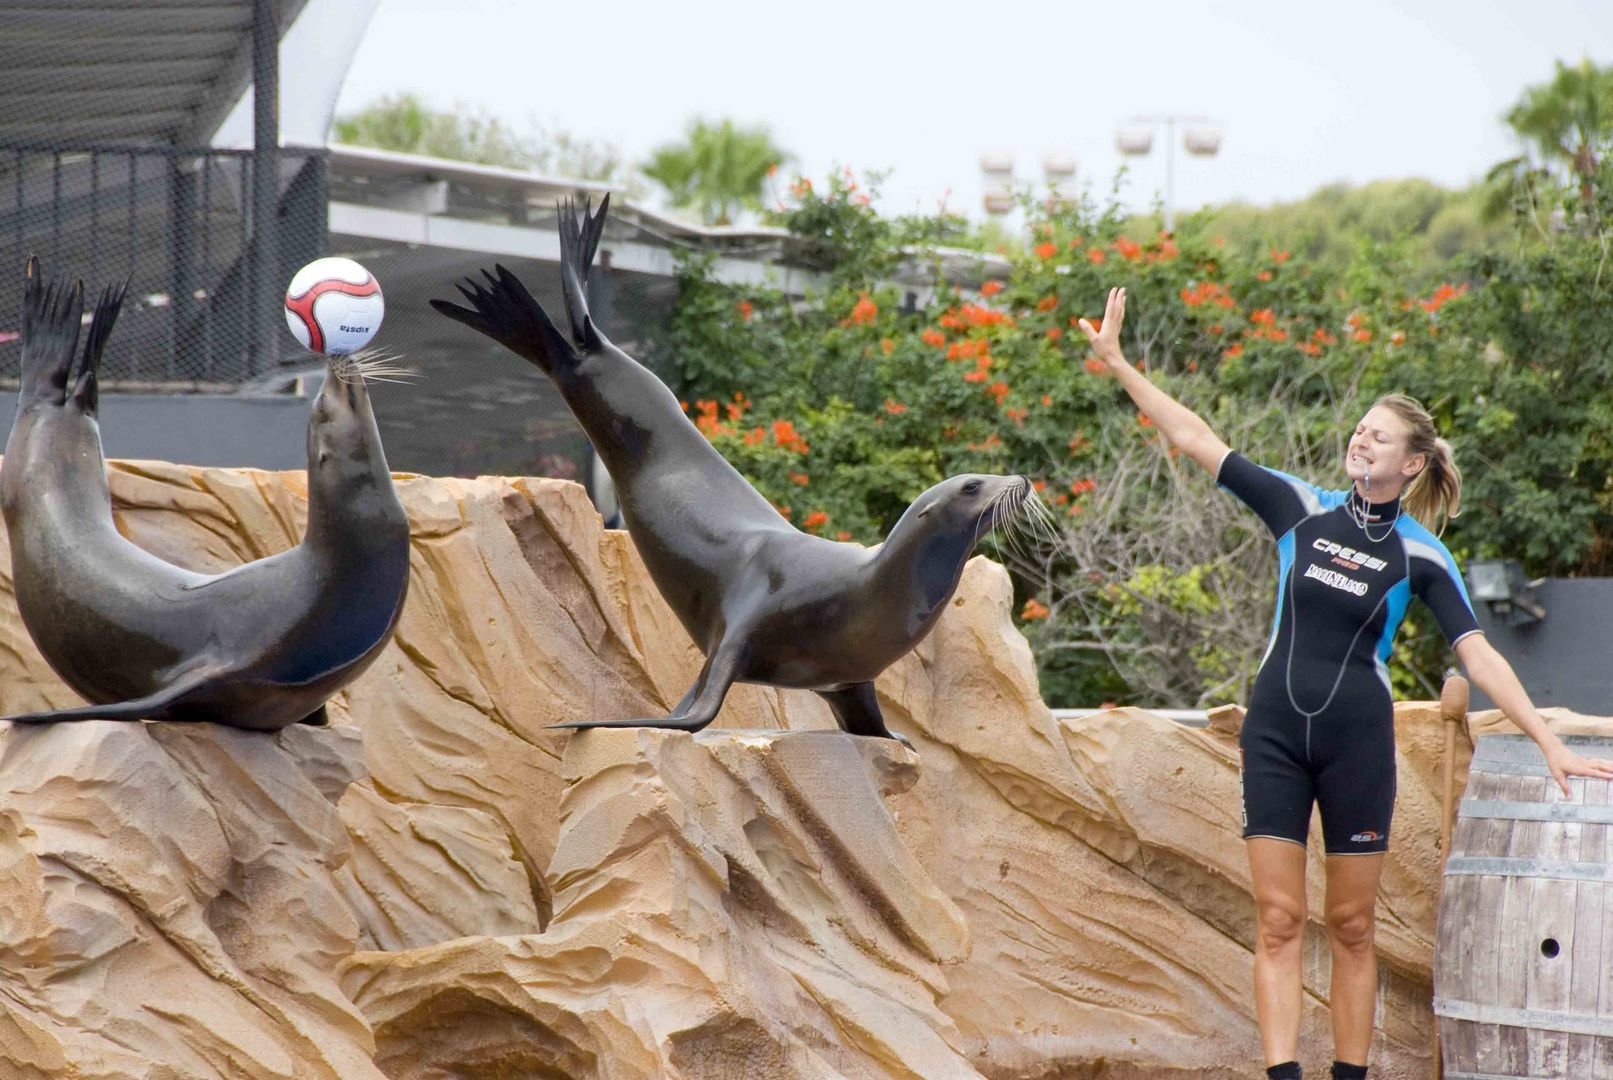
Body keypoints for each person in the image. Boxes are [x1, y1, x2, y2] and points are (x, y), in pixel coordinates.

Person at [1077, 287, 1613, 1080]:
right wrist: (1120, 364)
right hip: (1273, 735)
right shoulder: (1298, 508)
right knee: (1277, 918)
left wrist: (1546, 744)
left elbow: (1480, 655)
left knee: (1352, 924)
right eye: (1359, 429)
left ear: (1411, 462)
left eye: (1379, 435)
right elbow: (1195, 437)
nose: (1361, 440)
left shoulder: (1424, 555)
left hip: (1357, 741)